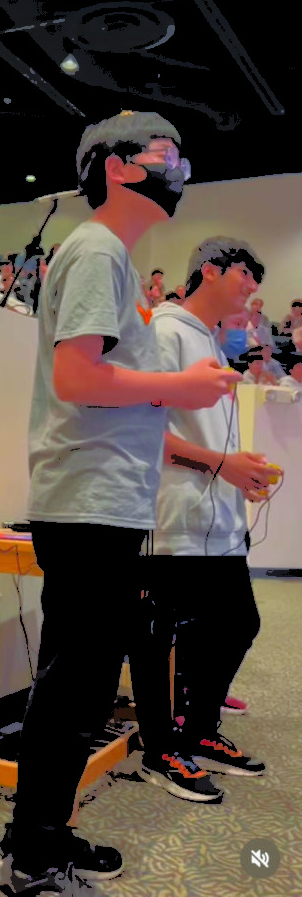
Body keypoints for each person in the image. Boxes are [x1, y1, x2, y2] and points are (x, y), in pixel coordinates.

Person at [0, 110, 242, 897]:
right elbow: (79, 380)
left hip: (109, 500)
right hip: (87, 501)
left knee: (84, 685)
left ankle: (40, 835)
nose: (178, 169)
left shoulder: (114, 261)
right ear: (119, 167)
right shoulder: (96, 250)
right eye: (165, 154)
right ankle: (30, 860)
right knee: (73, 686)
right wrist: (182, 386)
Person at [151, 236, 270, 787]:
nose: (252, 287)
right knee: (159, 635)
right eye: (246, 273)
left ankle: (199, 727)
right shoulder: (165, 330)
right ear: (211, 270)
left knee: (236, 623)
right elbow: (147, 434)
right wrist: (223, 465)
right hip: (173, 517)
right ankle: (162, 748)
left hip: (216, 520)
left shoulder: (212, 343)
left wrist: (240, 471)